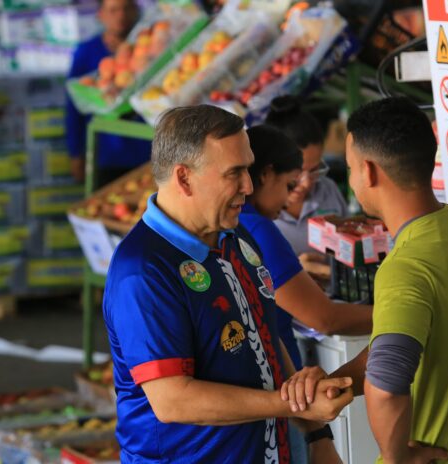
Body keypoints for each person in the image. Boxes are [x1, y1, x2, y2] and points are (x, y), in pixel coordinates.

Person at [103, 105, 353, 463]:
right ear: (184, 178)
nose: (248, 186)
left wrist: (318, 437)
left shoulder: (235, 237)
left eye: (248, 170)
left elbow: (267, 338)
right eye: (234, 173)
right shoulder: (142, 270)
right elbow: (173, 400)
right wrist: (291, 403)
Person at [281, 97, 448, 463]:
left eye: (350, 167)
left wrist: (395, 457)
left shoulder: (405, 267)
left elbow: (387, 382)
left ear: (370, 172)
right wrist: (335, 382)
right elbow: (399, 344)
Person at [241, 124, 372, 370]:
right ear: (265, 175)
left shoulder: (233, 223)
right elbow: (325, 319)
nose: (290, 196)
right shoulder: (258, 229)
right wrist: (402, 315)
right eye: (289, 186)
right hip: (276, 380)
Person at [65, 0, 152, 185]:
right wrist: (76, 154)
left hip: (149, 154)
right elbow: (73, 109)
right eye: (113, 10)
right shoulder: (86, 52)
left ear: (136, 10)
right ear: (100, 15)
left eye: (127, 8)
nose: (121, 16)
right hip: (105, 155)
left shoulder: (150, 49)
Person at [266, 96, 348, 257]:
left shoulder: (328, 190)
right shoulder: (252, 210)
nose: (306, 183)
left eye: (315, 170)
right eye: (296, 172)